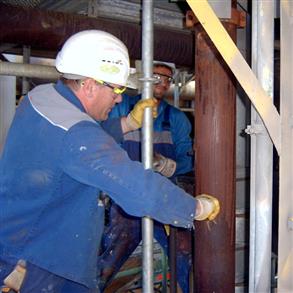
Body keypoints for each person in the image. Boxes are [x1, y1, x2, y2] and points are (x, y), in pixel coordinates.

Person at [0, 30, 220, 293]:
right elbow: (138, 188)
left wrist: (126, 124)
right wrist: (197, 208)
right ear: (90, 85)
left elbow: (69, 143)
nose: (118, 98)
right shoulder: (78, 133)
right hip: (43, 263)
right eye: (115, 89)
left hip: (20, 239)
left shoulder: (42, 97)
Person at [99, 63, 194, 292]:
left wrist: (168, 165)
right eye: (156, 76)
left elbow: (187, 161)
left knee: (184, 250)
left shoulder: (177, 119)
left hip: (164, 196)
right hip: (126, 197)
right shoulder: (121, 109)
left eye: (167, 78)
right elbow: (102, 142)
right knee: (112, 255)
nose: (162, 81)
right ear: (145, 79)